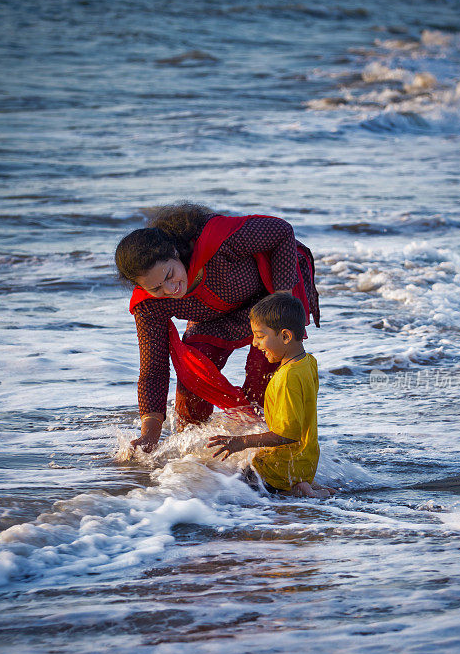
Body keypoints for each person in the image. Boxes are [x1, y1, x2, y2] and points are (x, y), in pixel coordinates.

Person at [115, 203, 320, 452]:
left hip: (267, 299)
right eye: (156, 288)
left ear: (174, 252)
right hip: (213, 316)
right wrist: (149, 435)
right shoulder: (149, 305)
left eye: (169, 275)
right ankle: (198, 461)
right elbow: (153, 368)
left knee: (262, 374)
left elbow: (281, 231)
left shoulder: (217, 240)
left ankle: (270, 457)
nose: (170, 290)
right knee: (194, 376)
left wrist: (281, 301)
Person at [207, 294, 331, 499]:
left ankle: (302, 489)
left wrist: (242, 442)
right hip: (303, 461)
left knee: (224, 491)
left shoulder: (287, 377)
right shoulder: (308, 362)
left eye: (260, 336)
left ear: (285, 337)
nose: (254, 343)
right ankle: (303, 485)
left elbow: (287, 434)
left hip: (279, 469)